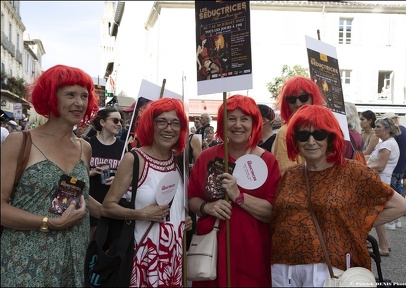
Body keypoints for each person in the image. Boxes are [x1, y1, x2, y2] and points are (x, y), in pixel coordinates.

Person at [271, 105, 406, 287]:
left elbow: (400, 206)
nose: (311, 141)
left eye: (319, 134)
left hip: (327, 269)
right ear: (295, 140)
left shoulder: (352, 171)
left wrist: (353, 225)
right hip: (283, 266)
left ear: (330, 137)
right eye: (303, 135)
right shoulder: (291, 174)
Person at [1, 64, 100, 287]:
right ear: (51, 97)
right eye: (70, 95)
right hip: (24, 261)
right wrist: (50, 223)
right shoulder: (20, 141)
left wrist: (125, 212)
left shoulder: (85, 147)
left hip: (72, 258)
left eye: (84, 96)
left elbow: (82, 194)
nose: (79, 103)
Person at [188, 95, 282, 287]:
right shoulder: (207, 157)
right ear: (223, 123)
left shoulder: (268, 162)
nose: (237, 125)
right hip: (212, 253)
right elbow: (192, 200)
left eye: (244, 119)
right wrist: (207, 206)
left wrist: (239, 196)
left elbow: (273, 212)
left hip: (252, 255)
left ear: (254, 123)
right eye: (231, 118)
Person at [101, 97, 192, 287]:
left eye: (176, 123)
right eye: (161, 121)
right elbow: (107, 207)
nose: (169, 128)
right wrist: (140, 214)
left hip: (173, 258)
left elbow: (179, 205)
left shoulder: (179, 162)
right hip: (142, 257)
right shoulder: (134, 159)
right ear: (150, 124)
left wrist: (186, 218)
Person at [272, 76, 326, 175]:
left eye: (303, 97)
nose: (298, 103)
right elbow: (288, 176)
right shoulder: (285, 132)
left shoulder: (325, 126)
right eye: (291, 99)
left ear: (313, 98)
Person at [88, 107, 125, 240]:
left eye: (121, 121)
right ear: (102, 122)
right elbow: (75, 174)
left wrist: (117, 179)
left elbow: (128, 175)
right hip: (89, 200)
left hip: (112, 202)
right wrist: (91, 172)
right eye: (115, 120)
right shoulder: (88, 143)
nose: (119, 124)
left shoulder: (122, 146)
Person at [367, 117, 401, 257]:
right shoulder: (388, 143)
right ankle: (384, 244)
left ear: (387, 129)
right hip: (381, 181)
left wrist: (362, 168)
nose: (375, 129)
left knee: (375, 214)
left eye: (378, 127)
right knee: (376, 213)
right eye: (375, 126)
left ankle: (383, 246)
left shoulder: (386, 145)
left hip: (379, 182)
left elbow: (380, 166)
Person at [382, 112, 406, 228]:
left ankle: (391, 222)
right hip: (401, 166)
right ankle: (397, 221)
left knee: (391, 195)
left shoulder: (396, 132)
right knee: (397, 193)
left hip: (393, 166)